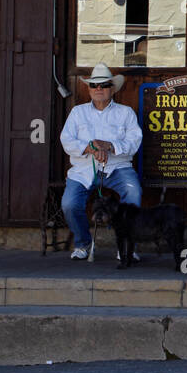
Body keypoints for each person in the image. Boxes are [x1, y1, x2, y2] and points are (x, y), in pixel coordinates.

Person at [59, 62, 144, 260]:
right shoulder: (78, 112)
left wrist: (109, 146)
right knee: (69, 204)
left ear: (112, 88)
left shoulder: (125, 113)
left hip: (117, 167)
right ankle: (83, 243)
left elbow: (134, 141)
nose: (99, 89)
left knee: (133, 192)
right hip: (83, 169)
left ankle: (126, 246)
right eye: (94, 85)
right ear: (88, 89)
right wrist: (91, 148)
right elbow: (67, 140)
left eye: (104, 85)